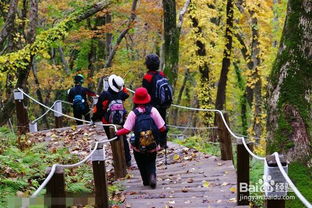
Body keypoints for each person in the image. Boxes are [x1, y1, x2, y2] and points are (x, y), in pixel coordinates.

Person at [116, 87, 167, 189]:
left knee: (141, 163)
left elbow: (126, 130)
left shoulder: (133, 114)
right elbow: (162, 128)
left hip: (138, 146)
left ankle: (145, 180)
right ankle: (152, 175)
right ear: (147, 98)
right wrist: (162, 139)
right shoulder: (153, 111)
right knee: (151, 162)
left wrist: (117, 133)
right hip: (152, 144)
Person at [92, 74, 132, 167]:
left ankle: (118, 162)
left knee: (113, 140)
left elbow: (98, 109)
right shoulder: (121, 94)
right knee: (124, 140)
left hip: (108, 122)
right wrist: (123, 86)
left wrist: (94, 119)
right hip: (121, 121)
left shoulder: (105, 95)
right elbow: (127, 94)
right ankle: (127, 160)